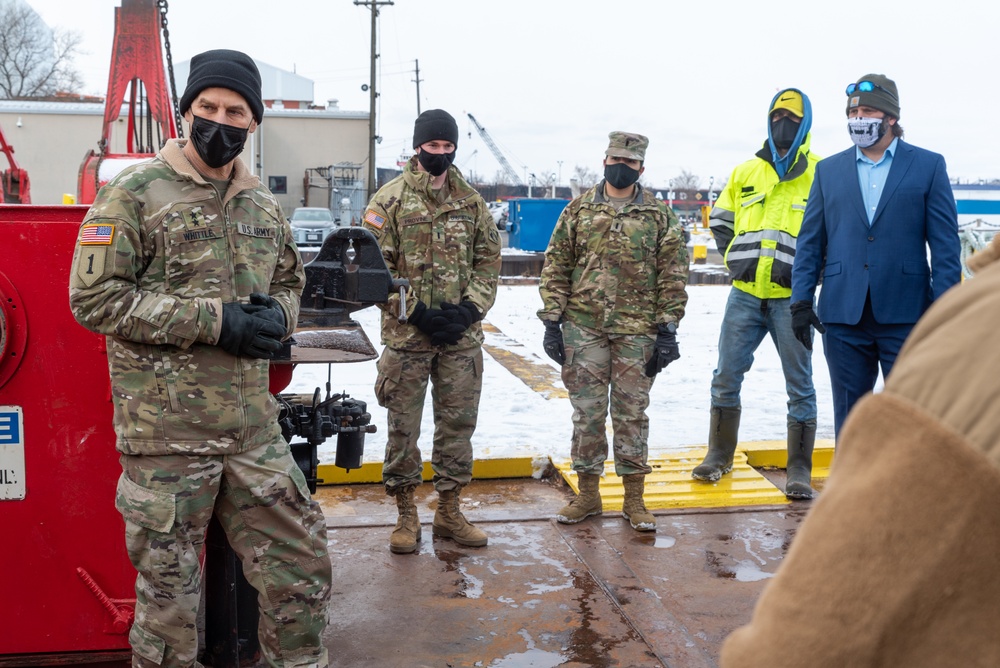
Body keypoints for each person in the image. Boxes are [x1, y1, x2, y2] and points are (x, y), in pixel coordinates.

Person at [68, 50, 331, 667]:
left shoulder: (261, 205)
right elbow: (94, 298)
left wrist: (279, 317)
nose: (219, 120)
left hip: (250, 431)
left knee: (302, 568)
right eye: (206, 108)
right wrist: (216, 321)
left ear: (252, 123)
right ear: (186, 112)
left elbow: (292, 280)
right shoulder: (132, 193)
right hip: (166, 437)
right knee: (169, 606)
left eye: (234, 111)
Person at [720, 233, 1000, 668]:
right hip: (799, 301)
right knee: (733, 380)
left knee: (806, 393)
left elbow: (800, 645)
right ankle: (725, 456)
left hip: (889, 309)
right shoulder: (788, 175)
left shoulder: (980, 325)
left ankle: (800, 468)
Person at [362, 109, 502, 555]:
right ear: (417, 146)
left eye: (446, 147)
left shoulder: (472, 201)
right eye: (432, 146)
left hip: (460, 340)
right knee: (403, 429)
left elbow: (488, 261)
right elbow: (371, 271)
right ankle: (406, 513)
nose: (439, 154)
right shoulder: (389, 201)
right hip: (408, 339)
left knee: (457, 425)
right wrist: (415, 312)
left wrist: (470, 310)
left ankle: (449, 509)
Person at [791, 73, 961, 438]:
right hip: (842, 316)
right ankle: (854, 493)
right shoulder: (828, 171)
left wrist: (945, 313)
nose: (857, 120)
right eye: (852, 113)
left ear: (891, 118)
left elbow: (946, 248)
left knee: (912, 415)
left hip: (908, 314)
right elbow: (810, 242)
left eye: (867, 111)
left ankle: (908, 491)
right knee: (851, 420)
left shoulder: (929, 166)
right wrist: (801, 300)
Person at [538, 131, 689, 532]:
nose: (621, 167)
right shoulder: (578, 211)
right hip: (583, 326)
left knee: (631, 415)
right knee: (587, 414)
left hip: (637, 330)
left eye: (630, 162)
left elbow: (673, 274)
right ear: (604, 160)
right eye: (615, 159)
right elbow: (556, 266)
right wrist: (552, 321)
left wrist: (668, 328)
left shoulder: (659, 215)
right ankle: (588, 495)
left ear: (641, 168)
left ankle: (634, 500)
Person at [691, 89, 822, 499]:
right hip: (745, 294)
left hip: (792, 299)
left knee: (799, 384)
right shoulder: (745, 171)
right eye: (777, 115)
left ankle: (799, 470)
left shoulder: (823, 172)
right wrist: (737, 259)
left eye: (792, 117)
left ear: (806, 124)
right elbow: (723, 219)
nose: (783, 123)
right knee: (725, 376)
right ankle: (719, 455)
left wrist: (809, 276)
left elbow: (834, 231)